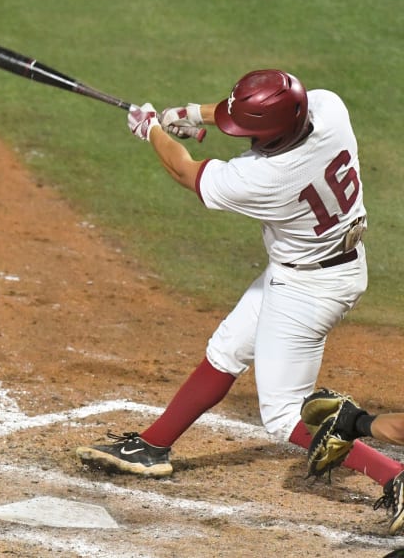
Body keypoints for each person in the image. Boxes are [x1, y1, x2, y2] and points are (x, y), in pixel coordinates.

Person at [75, 69, 404, 534]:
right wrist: (191, 113)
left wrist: (149, 128)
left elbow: (183, 170)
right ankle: (152, 446)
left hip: (308, 290)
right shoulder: (329, 107)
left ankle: (395, 475)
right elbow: (263, 114)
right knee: (227, 347)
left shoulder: (263, 178)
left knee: (286, 413)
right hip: (329, 262)